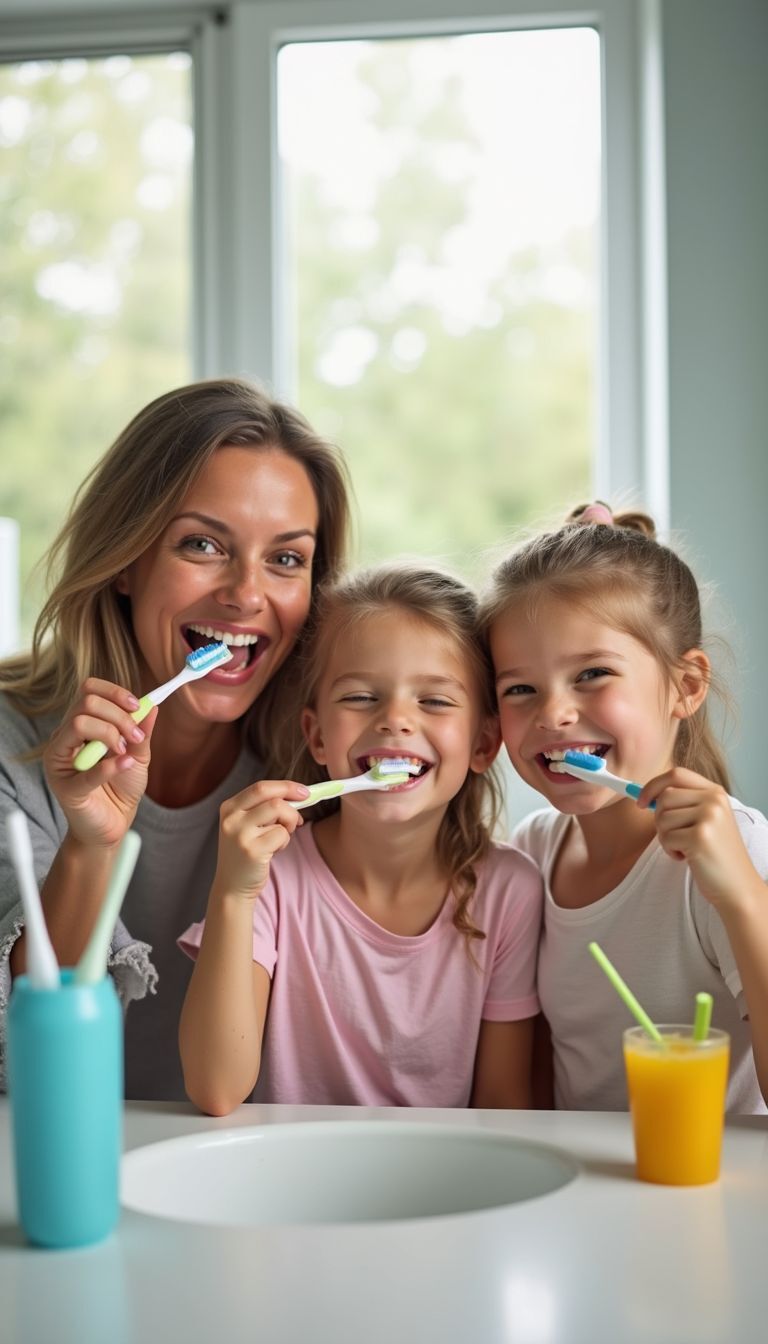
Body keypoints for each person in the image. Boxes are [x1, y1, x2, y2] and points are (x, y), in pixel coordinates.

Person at [0, 377, 351, 1101]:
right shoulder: (11, 742)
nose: (247, 595)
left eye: (286, 559)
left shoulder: (325, 768)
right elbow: (23, 1042)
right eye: (203, 545)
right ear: (127, 560)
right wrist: (92, 843)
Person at [178, 563, 543, 1113]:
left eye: (435, 701)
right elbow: (216, 1089)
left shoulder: (510, 892)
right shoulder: (272, 876)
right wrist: (233, 891)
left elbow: (504, 1107)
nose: (396, 720)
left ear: (484, 743)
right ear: (318, 736)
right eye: (360, 697)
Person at [481, 501, 768, 1113]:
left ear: (686, 687)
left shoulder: (735, 851)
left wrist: (741, 895)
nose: (553, 713)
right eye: (520, 688)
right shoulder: (533, 850)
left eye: (592, 674)